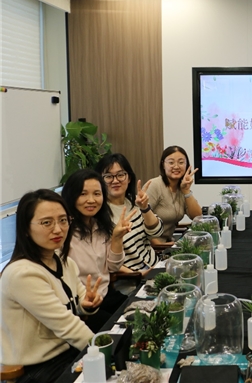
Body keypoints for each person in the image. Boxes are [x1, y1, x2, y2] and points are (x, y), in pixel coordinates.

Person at [0, 190, 103, 383]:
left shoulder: (64, 262)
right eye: (46, 223)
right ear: (25, 229)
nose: (58, 229)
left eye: (63, 220)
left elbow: (80, 300)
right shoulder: (22, 274)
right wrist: (104, 353)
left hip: (67, 354)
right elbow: (68, 326)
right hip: (37, 370)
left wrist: (87, 304)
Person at [62, 169, 135, 332]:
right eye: (83, 194)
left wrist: (117, 237)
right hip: (83, 305)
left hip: (107, 294)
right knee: (125, 333)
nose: (91, 200)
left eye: (97, 194)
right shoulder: (64, 232)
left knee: (143, 314)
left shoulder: (100, 225)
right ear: (71, 196)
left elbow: (114, 267)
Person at [95, 153, 163, 272]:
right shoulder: (99, 213)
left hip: (156, 266)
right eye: (108, 176)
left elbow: (156, 232)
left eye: (121, 175)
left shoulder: (134, 201)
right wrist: (137, 275)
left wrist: (145, 208)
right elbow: (104, 260)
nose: (115, 181)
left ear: (129, 178)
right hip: (132, 277)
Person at [146, 146, 201, 242]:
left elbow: (197, 217)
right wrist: (158, 245)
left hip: (168, 242)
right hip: (150, 245)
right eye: (171, 162)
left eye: (181, 162)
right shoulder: (155, 185)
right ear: (163, 165)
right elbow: (141, 219)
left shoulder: (182, 187)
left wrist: (186, 191)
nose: (176, 166)